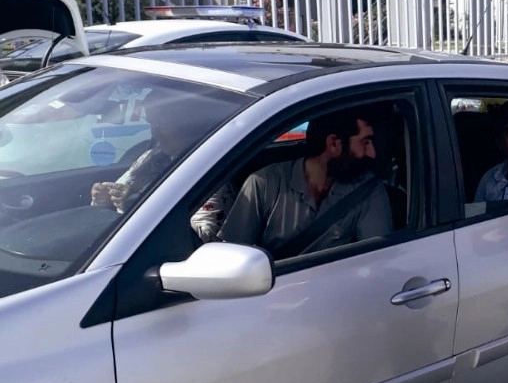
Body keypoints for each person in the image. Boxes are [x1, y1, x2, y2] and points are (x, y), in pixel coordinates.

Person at [219, 108, 393, 257]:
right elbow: (231, 258)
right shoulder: (264, 184)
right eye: (365, 142)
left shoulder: (368, 190)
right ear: (333, 144)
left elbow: (376, 259)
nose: (372, 153)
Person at [90, 88, 235, 242]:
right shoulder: (150, 158)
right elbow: (119, 195)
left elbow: (200, 240)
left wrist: (137, 206)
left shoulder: (211, 174)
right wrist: (103, 201)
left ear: (186, 122)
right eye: (152, 123)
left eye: (161, 124)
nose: (154, 133)